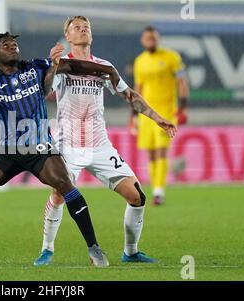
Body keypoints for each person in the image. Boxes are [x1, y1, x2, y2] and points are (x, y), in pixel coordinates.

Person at [0, 32, 125, 267]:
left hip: (40, 147)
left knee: (65, 184)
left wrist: (94, 69)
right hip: (8, 150)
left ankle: (94, 249)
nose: (12, 46)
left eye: (14, 44)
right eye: (5, 45)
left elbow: (60, 77)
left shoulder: (36, 67)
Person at [33, 16, 177, 266]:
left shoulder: (104, 66)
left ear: (92, 34)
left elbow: (128, 94)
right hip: (69, 145)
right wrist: (53, 65)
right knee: (58, 195)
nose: (82, 30)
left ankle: (130, 252)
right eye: (76, 28)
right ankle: (46, 250)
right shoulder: (62, 65)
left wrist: (156, 117)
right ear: (68, 37)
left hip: (99, 145)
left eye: (86, 27)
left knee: (137, 196)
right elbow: (45, 92)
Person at [131, 26, 189, 205]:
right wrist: (133, 114)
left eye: (154, 38)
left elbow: (182, 82)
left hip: (166, 112)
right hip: (146, 114)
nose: (151, 41)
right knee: (151, 153)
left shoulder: (172, 57)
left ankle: (158, 191)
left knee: (162, 151)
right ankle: (156, 188)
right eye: (148, 38)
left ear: (158, 39)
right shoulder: (140, 61)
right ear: (143, 40)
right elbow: (137, 89)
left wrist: (183, 107)